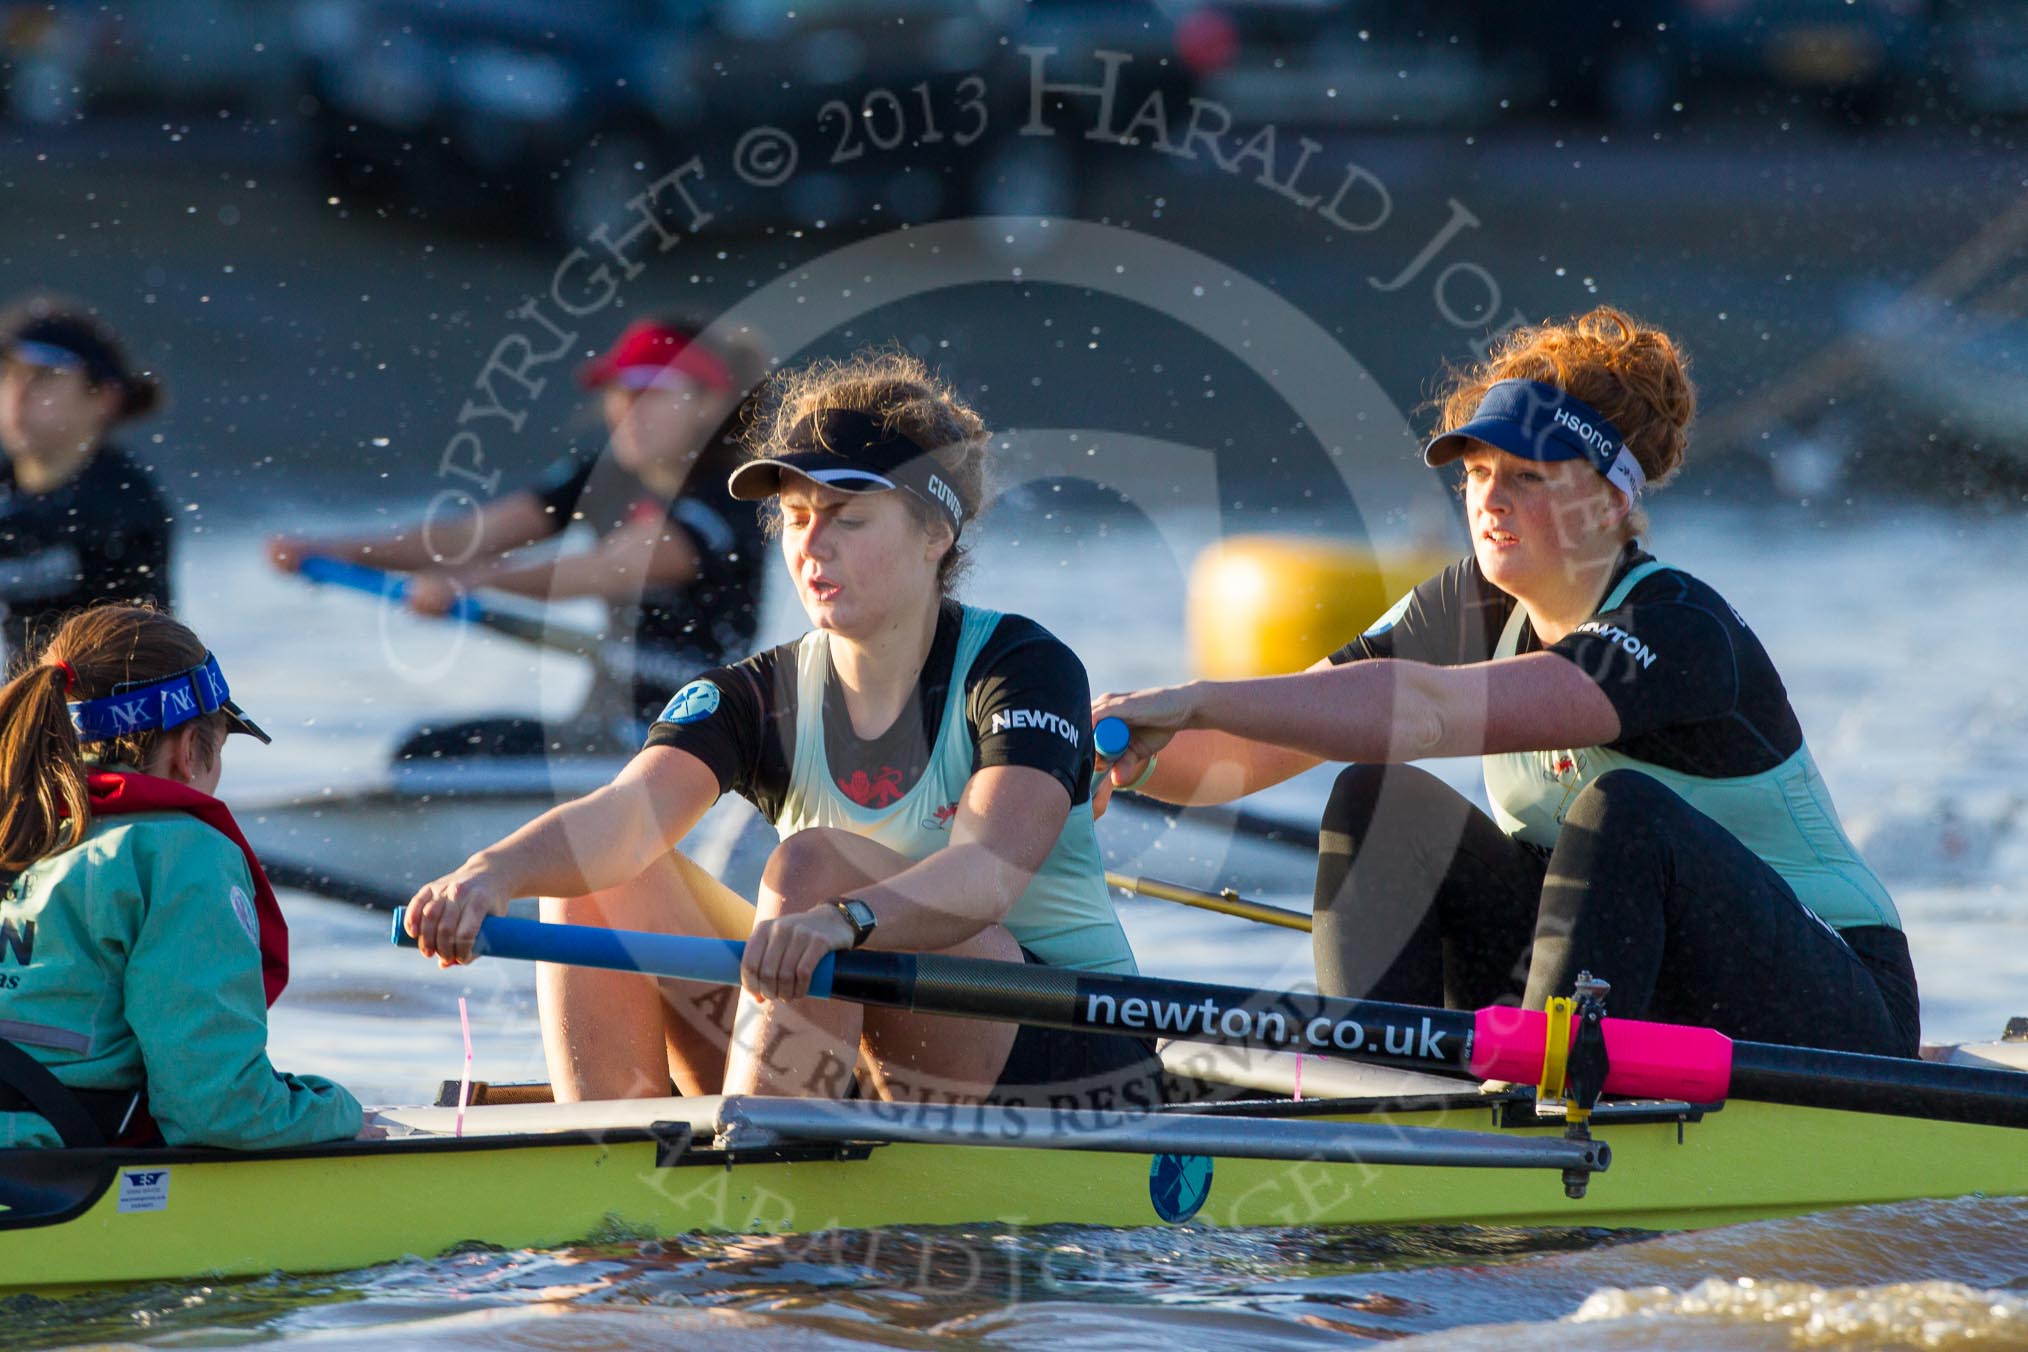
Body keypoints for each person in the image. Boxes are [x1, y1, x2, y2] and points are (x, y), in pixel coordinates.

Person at [1093, 306, 1919, 1059]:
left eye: (1528, 476)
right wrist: (1089, 760)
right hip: (1628, 980)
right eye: (1477, 473)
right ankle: (1382, 1085)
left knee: (1622, 809)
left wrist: (1197, 692)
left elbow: (1423, 712)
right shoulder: (1467, 601)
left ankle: (1543, 1094)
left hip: (1837, 1004)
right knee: (1376, 799)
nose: (1490, 501)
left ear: (1607, 503)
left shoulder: (1676, 627)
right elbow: (1252, 751)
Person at [404, 350, 1159, 1108]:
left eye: (849, 518)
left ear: (935, 534)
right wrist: (489, 872)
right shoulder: (750, 694)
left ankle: (760, 1188)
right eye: (797, 517)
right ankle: (612, 1167)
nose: (812, 546)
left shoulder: (1022, 667)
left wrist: (845, 920)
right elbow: (623, 821)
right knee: (596, 876)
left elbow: (990, 875)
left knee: (809, 868)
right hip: (844, 1026)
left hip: (1065, 1053)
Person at [266, 313, 771, 761]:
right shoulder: (601, 476)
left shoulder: (736, 493)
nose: (629, 409)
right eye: (620, 389)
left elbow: (617, 565)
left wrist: (476, 582)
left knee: (436, 757)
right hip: (606, 730)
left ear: (710, 401)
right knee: (426, 748)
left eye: (653, 390)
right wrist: (330, 550)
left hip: (698, 741)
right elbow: (467, 536)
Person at [0, 604, 365, 1148]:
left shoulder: (15, 829)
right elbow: (217, 1110)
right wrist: (340, 1114)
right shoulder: (178, 854)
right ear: (190, 751)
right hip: (46, 1179)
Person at [0, 298, 173, 663]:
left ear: (104, 399)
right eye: (8, 373)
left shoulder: (125, 502)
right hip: (26, 700)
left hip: (113, 702)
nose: (19, 394)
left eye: (45, 376)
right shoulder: (7, 483)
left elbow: (37, 530)